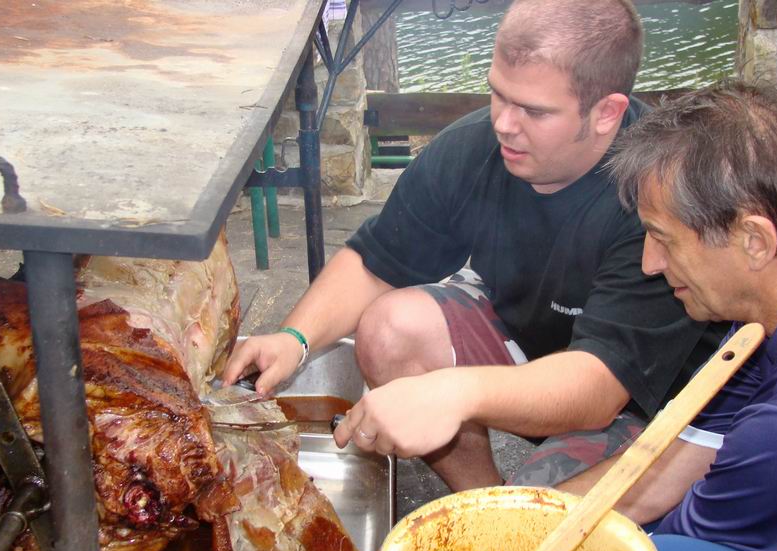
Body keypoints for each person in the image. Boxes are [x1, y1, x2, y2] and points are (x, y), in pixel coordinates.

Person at [223, 0, 726, 492]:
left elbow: (597, 388)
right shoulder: (474, 147)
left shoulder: (653, 198)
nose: (504, 123)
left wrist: (451, 393)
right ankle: (479, 502)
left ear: (606, 113)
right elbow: (376, 263)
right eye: (498, 94)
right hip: (529, 348)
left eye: (533, 110)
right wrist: (294, 338)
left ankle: (511, 515)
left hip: (638, 402)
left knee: (543, 520)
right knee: (391, 329)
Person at [558, 79, 777, 551]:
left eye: (662, 237)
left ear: (755, 241)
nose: (649, 263)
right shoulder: (756, 326)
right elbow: (660, 473)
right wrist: (509, 528)